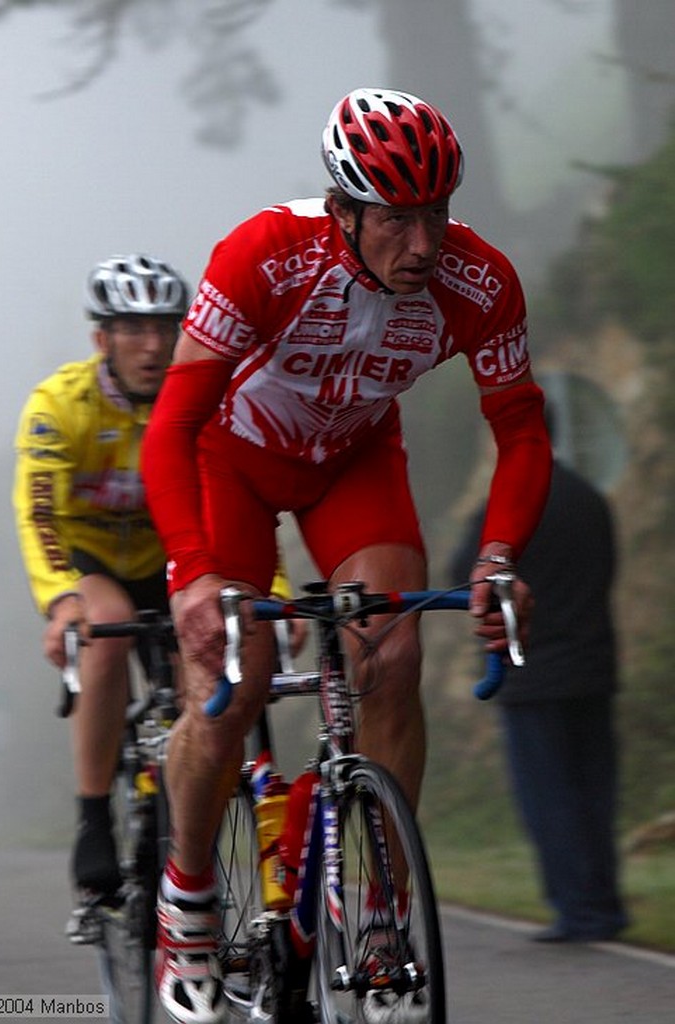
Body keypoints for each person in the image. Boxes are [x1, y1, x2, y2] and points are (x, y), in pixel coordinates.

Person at [141, 87, 553, 1024]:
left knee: (394, 656)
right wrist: (196, 573)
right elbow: (173, 423)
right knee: (231, 677)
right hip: (231, 459)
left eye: (439, 212)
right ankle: (189, 893)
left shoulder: (477, 281)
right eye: (398, 219)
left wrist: (496, 557)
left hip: (354, 460)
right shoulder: (264, 255)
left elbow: (521, 430)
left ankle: (378, 908)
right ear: (343, 211)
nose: (423, 244)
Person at [13, 254, 190, 898]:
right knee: (110, 630)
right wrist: (61, 600)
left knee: (199, 669)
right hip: (86, 558)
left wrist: (266, 593)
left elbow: (237, 508)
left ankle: (168, 822)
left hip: (167, 556)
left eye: (166, 328)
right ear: (101, 339)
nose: (153, 345)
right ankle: (93, 817)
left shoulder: (195, 401)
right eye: (132, 329)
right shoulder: (61, 404)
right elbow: (37, 512)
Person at [450, 412, 629, 943]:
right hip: (594, 666)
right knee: (596, 793)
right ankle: (606, 904)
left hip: (533, 674)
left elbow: (464, 574)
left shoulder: (505, 516)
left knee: (549, 797)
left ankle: (579, 911)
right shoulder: (589, 499)